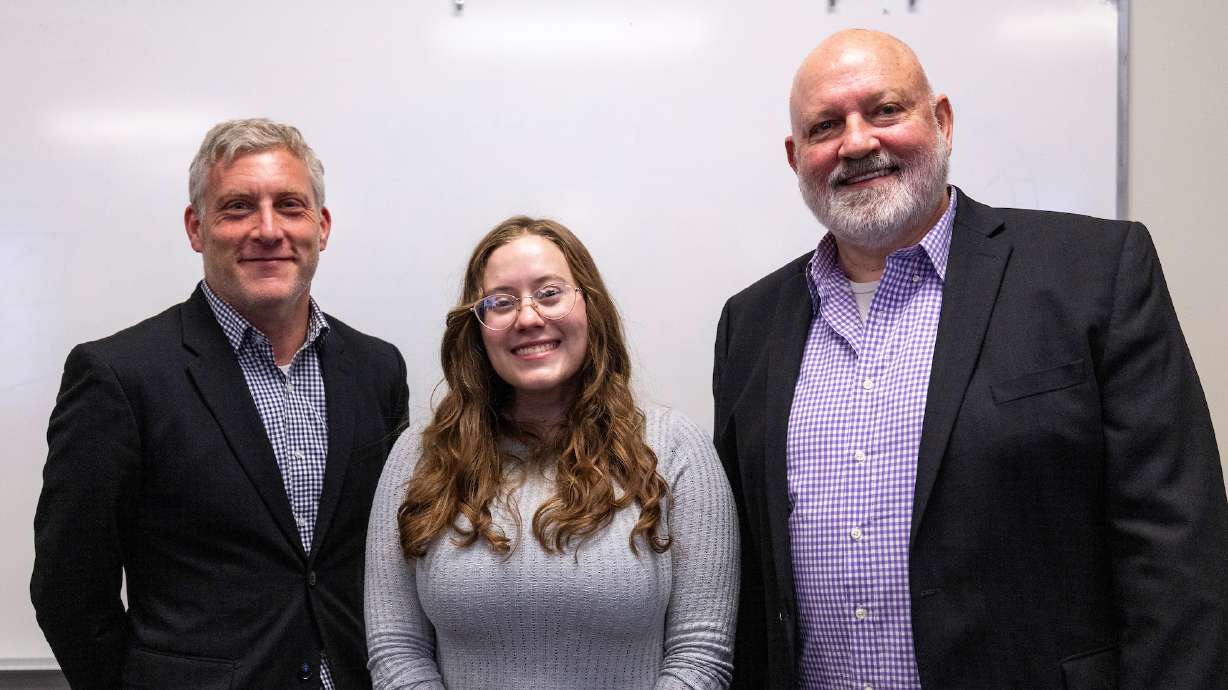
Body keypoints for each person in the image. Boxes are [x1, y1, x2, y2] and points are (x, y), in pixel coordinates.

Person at [713, 29, 1228, 689]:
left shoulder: (1091, 274)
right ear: (796, 156)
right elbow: (751, 584)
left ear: (943, 121)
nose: (858, 141)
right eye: (825, 126)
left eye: (884, 110)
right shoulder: (750, 326)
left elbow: (1178, 554)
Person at [31, 118, 409, 689]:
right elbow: (68, 587)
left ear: (322, 226)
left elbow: (391, 558)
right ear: (196, 227)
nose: (267, 229)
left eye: (290, 205)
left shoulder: (377, 369)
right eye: (237, 207)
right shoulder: (119, 375)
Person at [365, 216, 738, 689]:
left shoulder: (676, 449)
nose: (527, 318)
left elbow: (700, 655)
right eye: (501, 302)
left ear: (590, 305)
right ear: (477, 328)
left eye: (549, 293)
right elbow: (395, 650)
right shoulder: (419, 456)